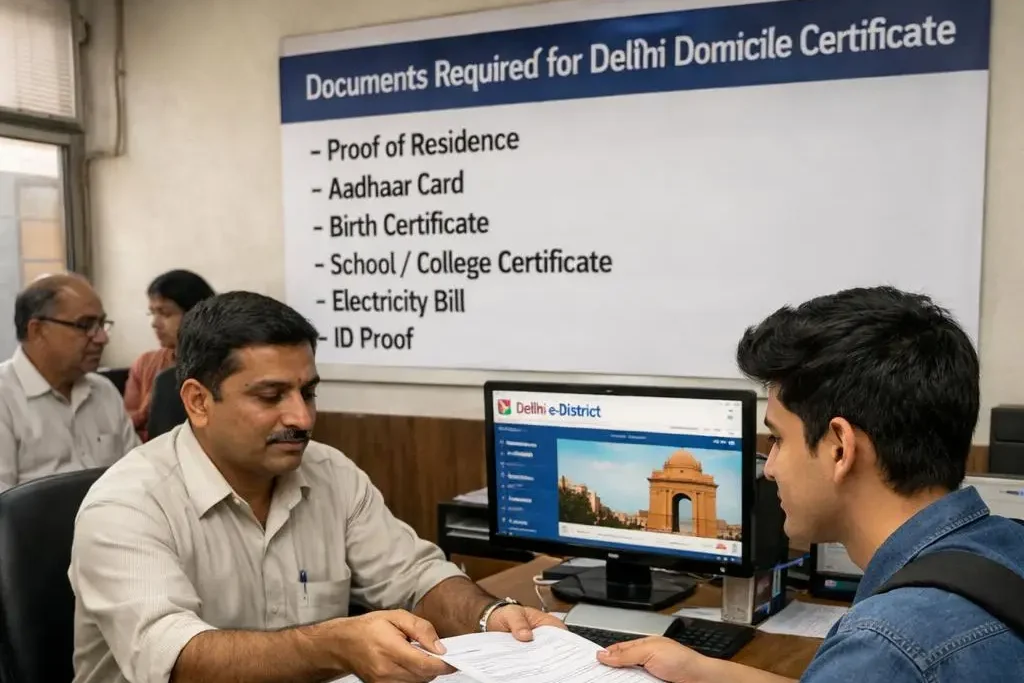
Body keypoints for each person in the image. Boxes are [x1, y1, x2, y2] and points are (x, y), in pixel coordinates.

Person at [68, 291, 562, 683]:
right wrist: (332, 645)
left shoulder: (328, 471)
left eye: (308, 392)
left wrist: (489, 616)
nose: (301, 417)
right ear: (198, 401)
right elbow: (176, 661)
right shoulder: (126, 505)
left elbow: (415, 576)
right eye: (271, 396)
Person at [597, 286, 1024, 682]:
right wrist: (699, 669)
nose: (770, 468)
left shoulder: (885, 646)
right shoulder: (1006, 546)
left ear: (840, 448)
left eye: (779, 439)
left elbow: (883, 662)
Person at [0, 274, 138, 492]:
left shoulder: (104, 391)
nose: (102, 338)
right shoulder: (5, 397)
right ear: (37, 330)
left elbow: (137, 475)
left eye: (102, 324)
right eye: (85, 325)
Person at [124, 269, 214, 440]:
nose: (154, 323)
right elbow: (122, 424)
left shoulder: (219, 363)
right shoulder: (145, 363)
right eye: (152, 313)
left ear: (195, 313)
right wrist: (147, 410)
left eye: (165, 313)